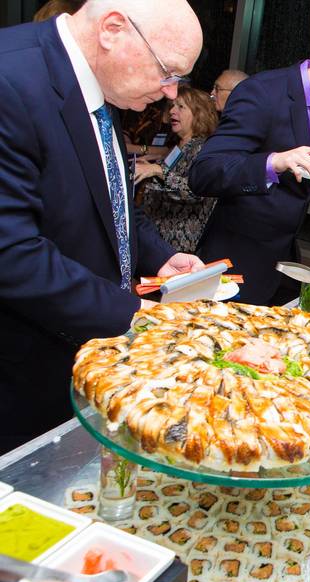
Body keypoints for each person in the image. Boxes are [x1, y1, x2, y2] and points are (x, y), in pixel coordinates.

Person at [0, 0, 205, 451]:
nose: (172, 92)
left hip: (81, 357)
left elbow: (110, 198)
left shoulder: (99, 84)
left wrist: (160, 255)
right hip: (19, 373)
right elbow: (11, 254)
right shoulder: (10, 79)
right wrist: (134, 318)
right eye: (167, 71)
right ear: (113, 29)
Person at [189, 39, 310, 305]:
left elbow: (296, 180)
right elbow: (204, 172)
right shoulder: (262, 92)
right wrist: (273, 162)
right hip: (236, 259)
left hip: (283, 261)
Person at [135, 87, 219, 252]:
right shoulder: (179, 146)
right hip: (156, 239)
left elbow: (197, 191)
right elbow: (167, 180)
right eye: (172, 106)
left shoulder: (205, 149)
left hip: (179, 246)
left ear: (199, 113)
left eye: (180, 107)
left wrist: (158, 170)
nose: (172, 111)